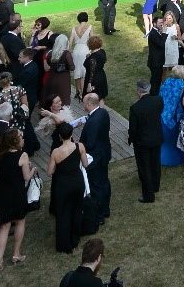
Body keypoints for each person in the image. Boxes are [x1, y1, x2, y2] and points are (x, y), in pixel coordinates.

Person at [0, 127, 32, 272]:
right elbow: (26, 177)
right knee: (20, 222)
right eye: (20, 136)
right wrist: (33, 170)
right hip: (17, 193)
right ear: (15, 141)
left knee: (4, 227)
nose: (23, 137)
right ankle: (16, 254)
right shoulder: (23, 156)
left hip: (2, 194)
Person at [46, 121, 88, 254]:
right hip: (77, 182)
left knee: (63, 213)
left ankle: (64, 243)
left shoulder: (56, 152)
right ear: (71, 134)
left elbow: (50, 171)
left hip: (63, 185)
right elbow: (85, 164)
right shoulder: (79, 146)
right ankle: (75, 239)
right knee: (76, 210)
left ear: (60, 136)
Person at [126, 80, 163, 203]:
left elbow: (133, 128)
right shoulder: (158, 100)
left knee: (144, 167)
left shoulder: (135, 108)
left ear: (138, 91)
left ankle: (148, 195)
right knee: (155, 163)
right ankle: (155, 186)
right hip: (156, 137)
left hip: (142, 142)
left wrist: (131, 139)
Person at [78, 92, 112, 223]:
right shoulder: (103, 113)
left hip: (96, 157)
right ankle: (106, 209)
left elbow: (90, 143)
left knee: (97, 186)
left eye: (84, 102)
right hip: (104, 153)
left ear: (89, 104)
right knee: (104, 182)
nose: (83, 104)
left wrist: (80, 146)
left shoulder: (93, 121)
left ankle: (100, 214)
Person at [70, 13, 93, 97]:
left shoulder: (74, 28)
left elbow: (70, 42)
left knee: (77, 71)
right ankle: (83, 93)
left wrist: (70, 51)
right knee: (84, 72)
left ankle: (77, 91)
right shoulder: (89, 27)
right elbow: (92, 40)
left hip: (76, 50)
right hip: (85, 50)